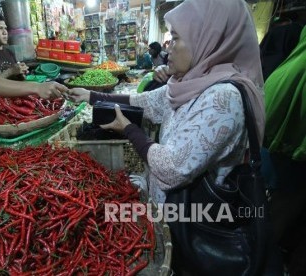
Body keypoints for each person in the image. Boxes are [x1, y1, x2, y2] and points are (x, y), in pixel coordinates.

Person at [64, 0, 279, 273]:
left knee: (182, 265)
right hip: (171, 215)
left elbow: (172, 167)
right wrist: (92, 96)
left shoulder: (223, 97)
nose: (168, 48)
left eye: (176, 38)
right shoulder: (192, 81)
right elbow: (144, 102)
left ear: (207, 38)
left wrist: (129, 130)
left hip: (195, 219)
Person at [263, 26, 306, 275]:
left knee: (266, 215)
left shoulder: (291, 64)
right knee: (274, 222)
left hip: (271, 152)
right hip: (291, 162)